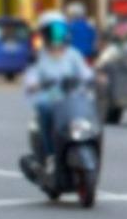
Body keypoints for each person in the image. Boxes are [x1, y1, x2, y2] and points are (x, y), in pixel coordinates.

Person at [24, 11, 94, 174]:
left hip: (73, 100)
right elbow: (31, 78)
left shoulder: (73, 55)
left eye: (60, 30)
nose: (57, 35)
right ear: (44, 34)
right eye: (53, 31)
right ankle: (50, 157)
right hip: (50, 101)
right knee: (44, 110)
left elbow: (86, 73)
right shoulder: (39, 57)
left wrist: (93, 79)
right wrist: (36, 84)